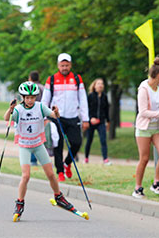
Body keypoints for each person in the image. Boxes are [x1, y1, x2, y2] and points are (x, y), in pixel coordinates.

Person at [4, 81, 78, 222]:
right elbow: (6, 119)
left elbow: (55, 116)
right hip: (24, 146)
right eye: (27, 97)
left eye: (32, 97)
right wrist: (10, 109)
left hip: (38, 144)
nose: (30, 100)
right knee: (26, 176)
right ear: (23, 97)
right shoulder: (18, 109)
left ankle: (59, 197)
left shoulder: (40, 107)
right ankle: (19, 203)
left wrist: (56, 112)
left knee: (51, 173)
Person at [41, 53, 89, 182]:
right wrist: (44, 117)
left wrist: (85, 119)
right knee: (58, 145)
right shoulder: (51, 80)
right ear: (58, 65)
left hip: (73, 116)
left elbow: (83, 99)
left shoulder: (77, 79)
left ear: (70, 65)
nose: (64, 68)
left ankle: (67, 163)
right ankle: (60, 171)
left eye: (67, 65)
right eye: (62, 65)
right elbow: (45, 101)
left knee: (77, 143)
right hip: (56, 118)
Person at [133, 57, 159, 198]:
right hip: (144, 128)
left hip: (158, 127)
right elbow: (143, 112)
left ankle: (156, 182)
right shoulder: (143, 89)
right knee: (144, 158)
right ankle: (137, 187)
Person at [84, 78, 111, 165]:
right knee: (89, 140)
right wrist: (90, 118)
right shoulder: (91, 96)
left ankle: (105, 159)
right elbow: (86, 109)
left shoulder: (105, 96)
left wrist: (108, 121)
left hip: (101, 122)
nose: (100, 85)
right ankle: (86, 158)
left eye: (102, 84)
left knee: (103, 140)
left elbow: (106, 110)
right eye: (98, 84)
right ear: (94, 86)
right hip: (91, 122)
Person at [28, 70, 45, 166]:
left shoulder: (30, 88)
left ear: (30, 78)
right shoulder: (43, 88)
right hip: (41, 115)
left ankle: (33, 159)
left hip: (31, 115)